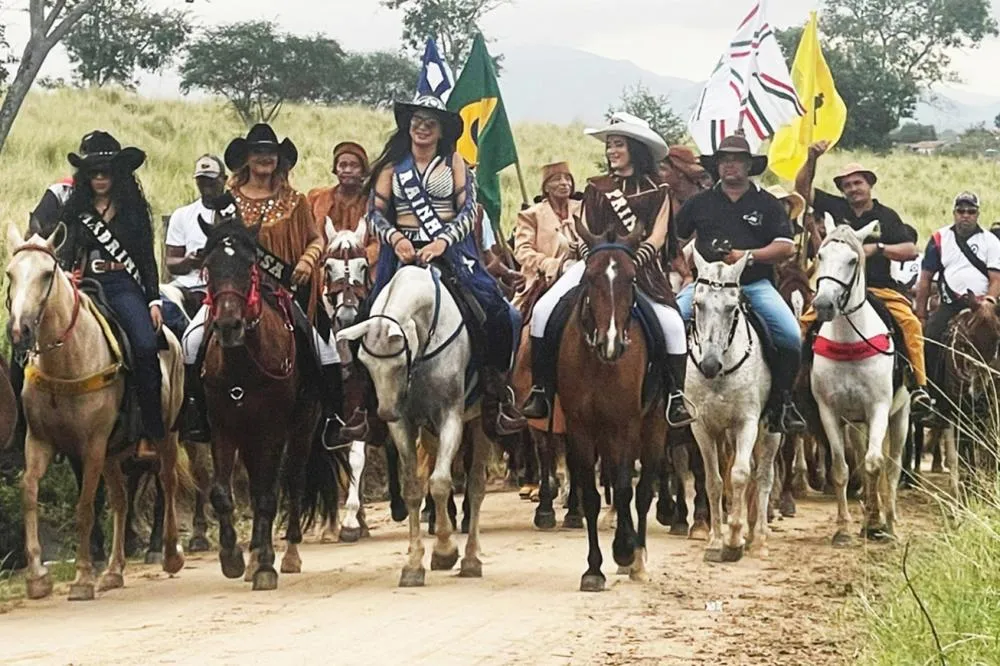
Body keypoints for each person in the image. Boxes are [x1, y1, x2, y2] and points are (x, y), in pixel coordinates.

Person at [346, 94, 526, 439]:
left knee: (501, 313)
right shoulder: (390, 168)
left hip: (450, 255)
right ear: (408, 126)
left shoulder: (455, 162)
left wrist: (441, 242)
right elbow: (375, 213)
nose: (423, 127)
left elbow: (468, 210)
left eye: (430, 122)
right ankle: (366, 405)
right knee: (365, 318)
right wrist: (397, 239)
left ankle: (495, 394)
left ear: (442, 130)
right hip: (399, 256)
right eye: (417, 121)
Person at [521, 112, 694, 428]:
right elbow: (583, 229)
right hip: (595, 265)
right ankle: (541, 390)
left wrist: (632, 262)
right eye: (610, 145)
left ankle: (675, 397)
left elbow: (657, 236)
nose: (612, 151)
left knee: (672, 325)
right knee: (544, 310)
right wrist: (594, 259)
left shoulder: (659, 190)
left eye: (618, 145)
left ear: (635, 148)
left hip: (640, 269)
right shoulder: (595, 187)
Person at [179, 124, 345, 446]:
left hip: (286, 289)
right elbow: (219, 243)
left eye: (270, 153)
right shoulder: (226, 203)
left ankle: (330, 417)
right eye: (258, 152)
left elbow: (315, 239)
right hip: (236, 290)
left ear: (279, 160)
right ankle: (195, 410)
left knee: (324, 345)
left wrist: (305, 262)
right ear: (247, 159)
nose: (264, 158)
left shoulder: (295, 201)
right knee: (192, 339)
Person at [674, 133, 806, 434]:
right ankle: (672, 398)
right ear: (717, 165)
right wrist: (684, 270)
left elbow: (786, 246)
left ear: (749, 165)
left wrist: (746, 256)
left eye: (736, 160)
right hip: (706, 286)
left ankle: (782, 403)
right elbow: (675, 242)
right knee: (671, 323)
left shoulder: (768, 203)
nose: (730, 165)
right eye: (724, 160)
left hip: (754, 284)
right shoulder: (699, 203)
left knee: (790, 336)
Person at [795, 140, 930, 412]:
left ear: (869, 184)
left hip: (879, 288)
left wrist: (878, 248)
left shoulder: (886, 216)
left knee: (910, 324)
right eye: (847, 185)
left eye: (857, 183)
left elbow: (910, 250)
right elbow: (802, 190)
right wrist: (811, 159)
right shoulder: (835, 208)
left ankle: (918, 387)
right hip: (836, 290)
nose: (852, 189)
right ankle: (797, 388)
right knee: (802, 326)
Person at [56, 131, 166, 446]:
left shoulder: (133, 210)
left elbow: (146, 259)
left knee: (145, 347)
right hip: (85, 285)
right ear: (85, 176)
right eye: (93, 172)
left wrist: (153, 300)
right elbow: (65, 250)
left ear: (118, 175)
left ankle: (150, 431)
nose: (100, 178)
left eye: (106, 172)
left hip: (122, 285)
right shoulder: (75, 211)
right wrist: (67, 277)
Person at [916, 191, 1000, 423]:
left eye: (971, 212)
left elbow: (996, 279)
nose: (965, 216)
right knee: (930, 341)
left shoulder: (991, 242)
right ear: (954, 213)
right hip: (951, 304)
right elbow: (926, 279)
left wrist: (989, 302)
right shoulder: (939, 239)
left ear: (977, 214)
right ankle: (935, 401)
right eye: (961, 211)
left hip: (984, 304)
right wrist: (921, 313)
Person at [162, 154, 226, 333]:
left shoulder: (235, 213)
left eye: (212, 180)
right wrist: (188, 261)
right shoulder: (183, 215)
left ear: (224, 179)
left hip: (223, 285)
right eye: (202, 180)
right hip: (187, 285)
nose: (207, 185)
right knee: (162, 300)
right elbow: (171, 263)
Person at [511, 161, 583, 312]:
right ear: (546, 187)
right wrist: (547, 264)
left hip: (582, 276)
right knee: (514, 318)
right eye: (557, 179)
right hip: (543, 281)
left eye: (567, 179)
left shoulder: (583, 209)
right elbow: (522, 250)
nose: (564, 183)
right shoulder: (531, 215)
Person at [307, 141, 379, 273]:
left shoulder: (372, 203)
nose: (347, 170)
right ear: (335, 169)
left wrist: (360, 259)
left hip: (361, 269)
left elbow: (377, 242)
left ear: (363, 170)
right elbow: (308, 236)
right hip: (322, 267)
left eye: (354, 166)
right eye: (342, 165)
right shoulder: (317, 199)